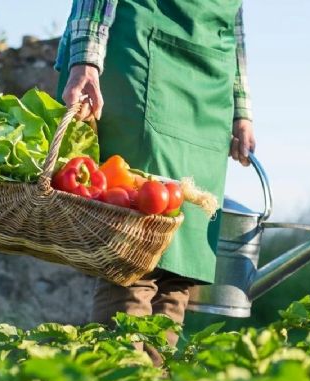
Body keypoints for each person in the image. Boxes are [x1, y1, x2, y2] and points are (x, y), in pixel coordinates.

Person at [55, 0, 255, 350]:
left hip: (210, 83)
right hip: (144, 55)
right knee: (134, 253)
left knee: (181, 266)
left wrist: (241, 107)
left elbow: (234, 17)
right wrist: (85, 59)